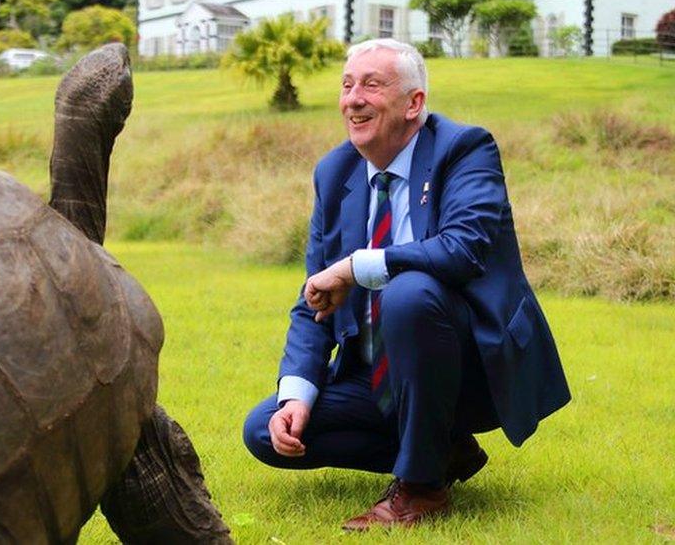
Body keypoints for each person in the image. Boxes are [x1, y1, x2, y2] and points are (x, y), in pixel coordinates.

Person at [241, 39, 571, 531]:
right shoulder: (334, 173)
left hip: (467, 369)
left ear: (414, 103)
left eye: (371, 85)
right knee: (264, 432)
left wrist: (356, 266)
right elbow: (313, 299)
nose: (353, 99)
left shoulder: (464, 149)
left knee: (409, 292)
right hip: (374, 376)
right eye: (347, 85)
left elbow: (462, 249)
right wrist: (297, 397)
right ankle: (445, 449)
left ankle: (421, 486)